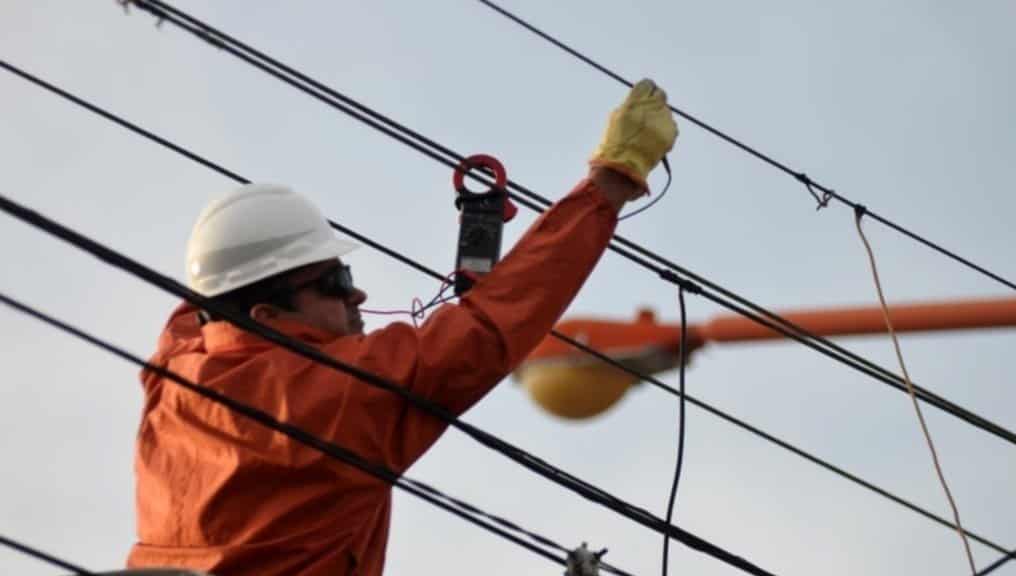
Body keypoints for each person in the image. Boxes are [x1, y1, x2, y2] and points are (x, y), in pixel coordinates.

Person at [127, 79, 679, 576]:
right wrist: (610, 182)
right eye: (334, 281)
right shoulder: (339, 400)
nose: (357, 293)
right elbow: (489, 326)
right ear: (267, 318)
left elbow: (209, 298)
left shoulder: (175, 372)